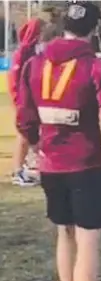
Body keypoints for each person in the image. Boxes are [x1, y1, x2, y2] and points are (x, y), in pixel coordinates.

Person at [16, 1, 101, 281]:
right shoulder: (95, 66)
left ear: (61, 26)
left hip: (51, 164)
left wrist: (39, 144)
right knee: (88, 237)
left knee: (63, 233)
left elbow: (24, 115)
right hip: (86, 164)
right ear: (94, 30)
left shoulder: (35, 64)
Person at [9, 18, 45, 187]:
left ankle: (27, 166)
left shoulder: (32, 52)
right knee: (24, 134)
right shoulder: (23, 52)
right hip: (24, 100)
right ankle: (17, 171)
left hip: (32, 99)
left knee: (30, 133)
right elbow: (14, 79)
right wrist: (19, 99)